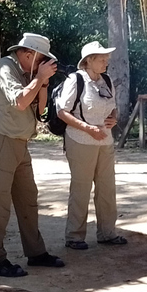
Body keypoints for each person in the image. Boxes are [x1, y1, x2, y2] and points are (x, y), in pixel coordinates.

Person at [0, 33, 66, 277]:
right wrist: (39, 77)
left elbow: (39, 111)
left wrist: (43, 83)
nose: (42, 64)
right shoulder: (3, 68)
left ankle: (36, 253)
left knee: (28, 199)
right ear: (28, 54)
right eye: (41, 59)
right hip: (0, 141)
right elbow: (19, 102)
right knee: (0, 206)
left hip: (19, 143)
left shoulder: (29, 74)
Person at [57, 41, 127, 250]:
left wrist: (113, 119)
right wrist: (87, 129)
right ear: (88, 61)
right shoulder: (75, 80)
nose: (106, 61)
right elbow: (62, 112)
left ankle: (107, 233)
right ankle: (74, 237)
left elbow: (112, 108)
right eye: (101, 58)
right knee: (81, 188)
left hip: (104, 140)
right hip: (80, 140)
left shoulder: (106, 80)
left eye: (106, 57)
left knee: (107, 188)